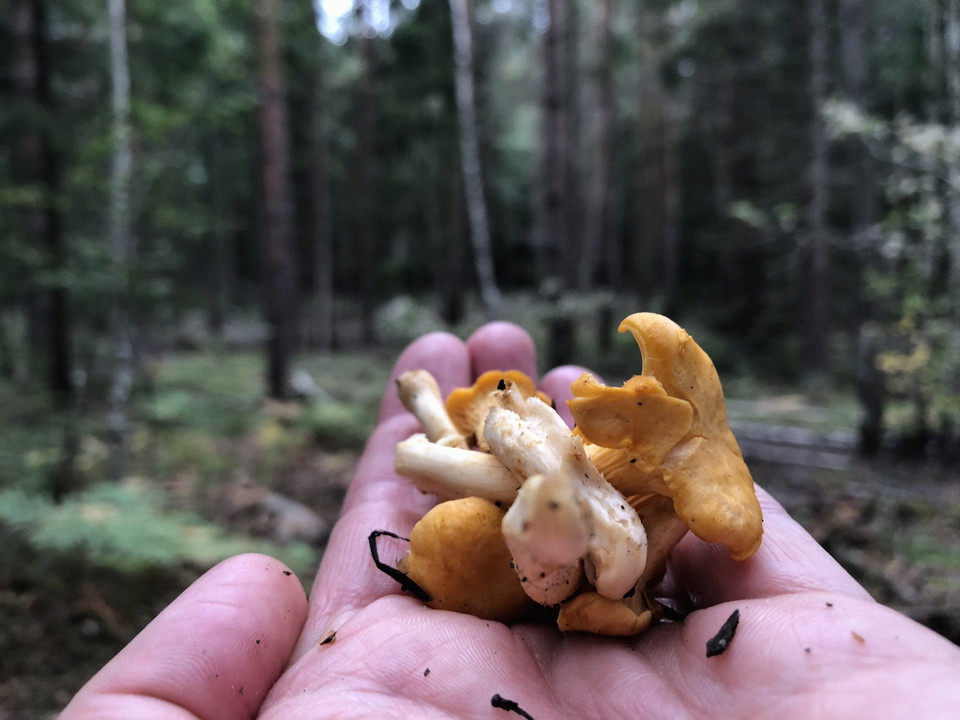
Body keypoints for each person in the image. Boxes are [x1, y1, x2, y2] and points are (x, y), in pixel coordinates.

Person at [61, 323, 960, 719]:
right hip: (540, 508)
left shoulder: (615, 520)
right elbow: (503, 474)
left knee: (602, 532)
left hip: (588, 537)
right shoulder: (533, 459)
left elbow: (613, 553)